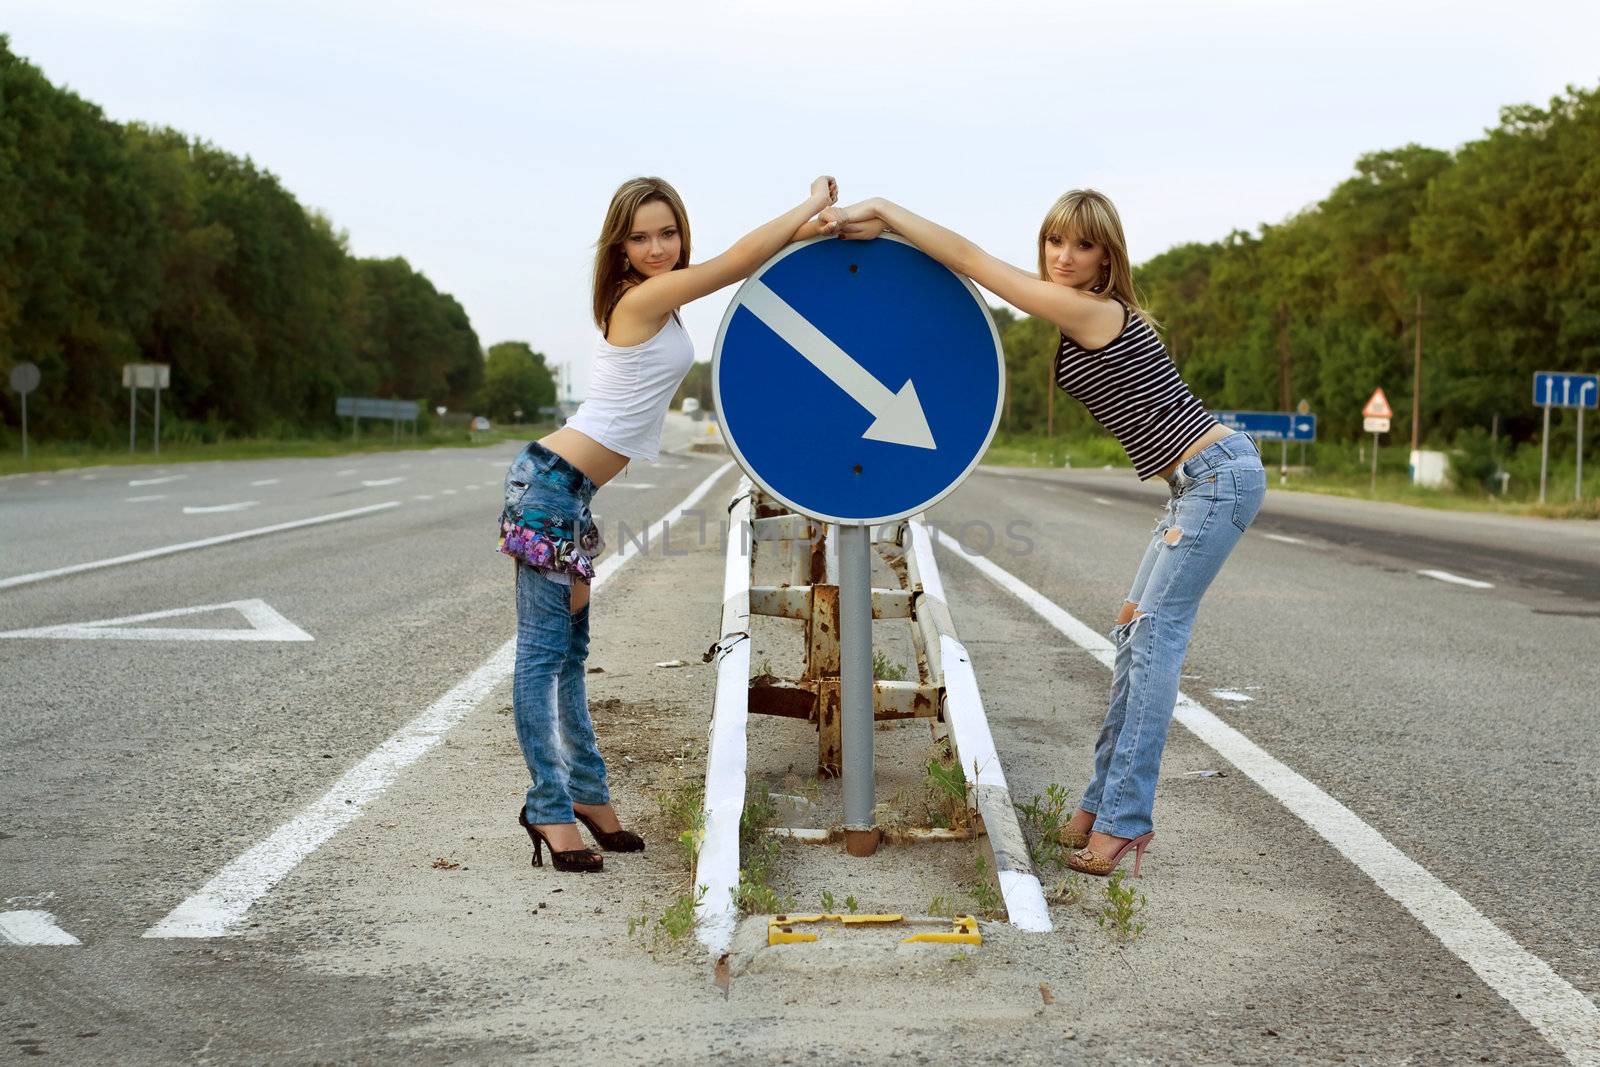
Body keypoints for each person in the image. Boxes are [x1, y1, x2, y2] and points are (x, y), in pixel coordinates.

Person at [823, 190, 1266, 878]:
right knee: (1134, 638)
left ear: (1106, 257)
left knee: (1154, 646)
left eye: (1082, 245)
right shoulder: (1081, 311)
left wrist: (888, 211)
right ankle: (1098, 807)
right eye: (1055, 242)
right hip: (1196, 484)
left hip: (1216, 478)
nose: (1064, 257)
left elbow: (974, 262)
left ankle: (1123, 823)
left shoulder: (1094, 310)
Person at [501, 174, 838, 873]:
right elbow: (739, 261)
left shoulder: (663, 302)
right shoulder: (643, 297)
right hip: (546, 489)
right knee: (541, 654)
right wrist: (808, 204)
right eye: (642, 236)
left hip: (571, 494)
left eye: (668, 233)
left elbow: (742, 259)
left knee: (568, 652)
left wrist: (807, 235)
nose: (658, 247)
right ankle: (548, 806)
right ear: (621, 248)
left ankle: (588, 796)